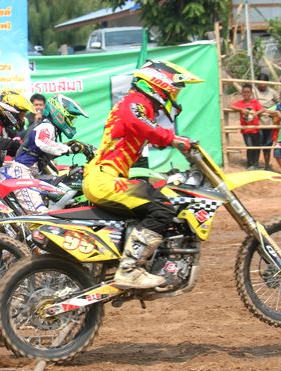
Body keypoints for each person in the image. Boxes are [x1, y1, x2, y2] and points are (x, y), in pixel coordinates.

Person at [82, 60, 201, 290]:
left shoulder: (138, 104)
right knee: (162, 207)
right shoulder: (134, 103)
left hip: (107, 178)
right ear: (159, 84)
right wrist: (175, 139)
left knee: (156, 196)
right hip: (105, 180)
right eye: (174, 90)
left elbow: (144, 130)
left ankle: (144, 261)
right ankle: (129, 269)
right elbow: (143, 125)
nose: (174, 96)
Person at [231, 83, 264, 170]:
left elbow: (262, 109)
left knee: (257, 146)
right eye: (244, 92)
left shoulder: (255, 102)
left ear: (251, 93)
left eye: (248, 92)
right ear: (241, 93)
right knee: (250, 146)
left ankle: (255, 164)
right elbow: (231, 106)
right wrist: (241, 109)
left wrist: (256, 113)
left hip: (256, 129)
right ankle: (250, 164)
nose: (246, 94)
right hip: (246, 130)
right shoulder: (240, 103)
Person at [253, 73, 278, 170]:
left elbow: (280, 101)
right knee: (257, 143)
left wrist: (273, 111)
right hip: (257, 120)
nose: (262, 85)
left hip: (269, 120)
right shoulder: (254, 91)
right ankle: (255, 164)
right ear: (257, 82)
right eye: (260, 83)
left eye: (264, 83)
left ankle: (267, 164)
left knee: (268, 144)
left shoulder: (272, 92)